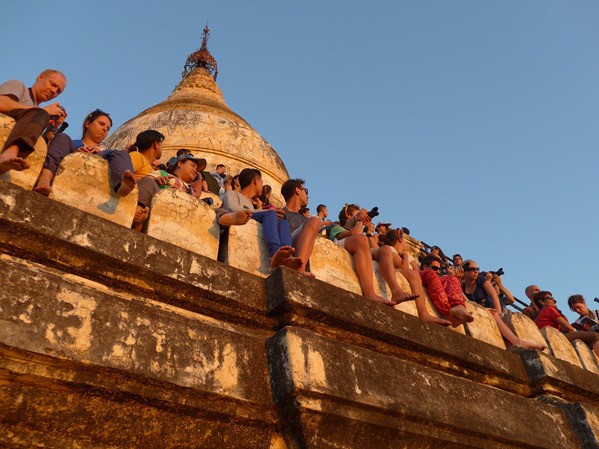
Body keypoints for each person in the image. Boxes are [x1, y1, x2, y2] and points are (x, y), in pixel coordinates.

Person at [34, 109, 137, 197]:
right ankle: (45, 179)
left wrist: (100, 155)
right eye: (101, 124)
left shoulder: (108, 152)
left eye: (108, 128)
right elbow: (47, 146)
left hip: (97, 175)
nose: (105, 129)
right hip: (68, 170)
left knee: (122, 154)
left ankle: (122, 186)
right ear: (88, 124)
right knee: (62, 137)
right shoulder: (71, 143)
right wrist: (74, 153)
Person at [330, 205, 417, 306]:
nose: (362, 217)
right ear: (348, 216)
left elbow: (372, 247)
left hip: (359, 245)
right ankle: (370, 293)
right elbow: (356, 235)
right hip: (343, 243)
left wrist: (369, 232)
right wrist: (359, 220)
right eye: (358, 215)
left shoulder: (360, 231)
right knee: (361, 239)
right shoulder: (336, 228)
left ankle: (396, 292)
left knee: (386, 249)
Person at [223, 168, 303, 270]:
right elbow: (233, 210)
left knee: (283, 223)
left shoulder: (253, 204)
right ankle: (275, 252)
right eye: (261, 181)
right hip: (239, 217)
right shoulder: (232, 194)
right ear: (255, 181)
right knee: (270, 213)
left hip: (254, 215)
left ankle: (287, 256)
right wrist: (263, 212)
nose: (262, 185)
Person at [462, 260, 545, 350]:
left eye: (477, 269)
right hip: (478, 310)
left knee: (494, 314)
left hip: (491, 310)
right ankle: (518, 342)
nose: (476, 271)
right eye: (472, 269)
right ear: (464, 271)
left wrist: (498, 312)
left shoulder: (481, 279)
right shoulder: (461, 285)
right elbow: (468, 302)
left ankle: (518, 342)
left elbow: (494, 295)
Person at [0, 69, 67, 174]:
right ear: (40, 77)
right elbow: (2, 103)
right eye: (53, 84)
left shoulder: (41, 113)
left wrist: (54, 126)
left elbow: (42, 146)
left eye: (58, 91)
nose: (54, 91)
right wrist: (42, 111)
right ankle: (9, 154)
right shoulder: (18, 86)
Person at [383, 229, 452, 327]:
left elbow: (418, 271)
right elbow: (404, 268)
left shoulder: (409, 257)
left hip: (412, 274)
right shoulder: (391, 249)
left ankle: (456, 308)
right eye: (403, 239)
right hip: (403, 272)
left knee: (450, 279)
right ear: (399, 239)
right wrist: (405, 256)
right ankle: (445, 312)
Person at [534, 291, 599, 356]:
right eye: (550, 298)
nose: (554, 300)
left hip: (551, 339)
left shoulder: (540, 315)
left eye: (578, 307)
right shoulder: (549, 309)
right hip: (556, 337)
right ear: (541, 302)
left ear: (584, 303)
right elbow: (569, 328)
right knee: (594, 336)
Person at [281, 178, 323, 278]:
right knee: (315, 219)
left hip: (297, 248)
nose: (307, 196)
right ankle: (299, 270)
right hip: (288, 247)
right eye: (306, 191)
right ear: (297, 190)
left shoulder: (305, 219)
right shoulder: (281, 212)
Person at [419, 254, 473, 327]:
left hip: (434, 280)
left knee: (453, 279)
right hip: (422, 276)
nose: (438, 271)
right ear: (425, 267)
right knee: (431, 274)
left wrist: (451, 277)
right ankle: (452, 315)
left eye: (439, 269)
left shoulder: (437, 276)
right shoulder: (425, 272)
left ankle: (458, 307)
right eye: (435, 268)